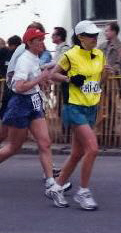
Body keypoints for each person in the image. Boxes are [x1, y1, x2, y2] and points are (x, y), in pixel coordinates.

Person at [0, 27, 56, 195]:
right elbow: (18, 87)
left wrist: (43, 80)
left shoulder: (35, 58)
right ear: (30, 43)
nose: (42, 42)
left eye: (42, 39)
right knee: (14, 146)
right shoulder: (24, 59)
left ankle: (51, 183)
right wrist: (39, 79)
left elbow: (35, 77)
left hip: (33, 101)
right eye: (38, 40)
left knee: (45, 142)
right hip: (20, 104)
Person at [46, 20, 110, 209]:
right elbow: (52, 75)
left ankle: (56, 188)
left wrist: (106, 73)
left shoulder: (99, 54)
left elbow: (100, 83)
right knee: (93, 149)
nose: (95, 38)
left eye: (96, 35)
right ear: (80, 37)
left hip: (91, 107)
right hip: (74, 107)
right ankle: (83, 192)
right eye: (90, 35)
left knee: (77, 153)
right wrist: (70, 78)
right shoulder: (70, 55)